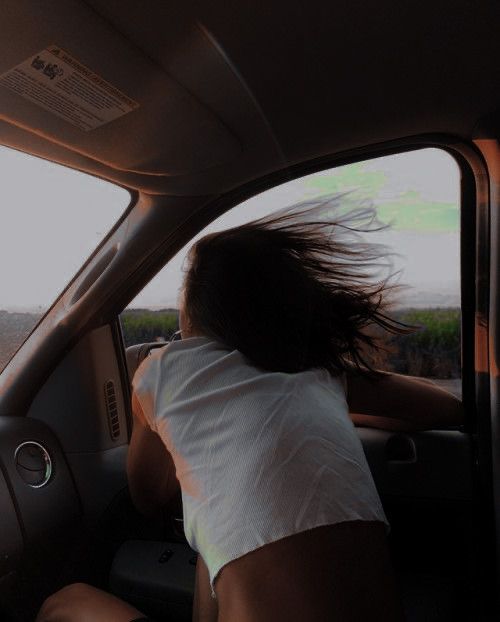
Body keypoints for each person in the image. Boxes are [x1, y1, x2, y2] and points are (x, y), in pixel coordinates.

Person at [37, 199, 463, 622]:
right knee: (215, 553)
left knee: (65, 602)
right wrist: (333, 404)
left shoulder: (161, 371)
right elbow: (443, 407)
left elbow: (146, 498)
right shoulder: (316, 369)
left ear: (195, 316)